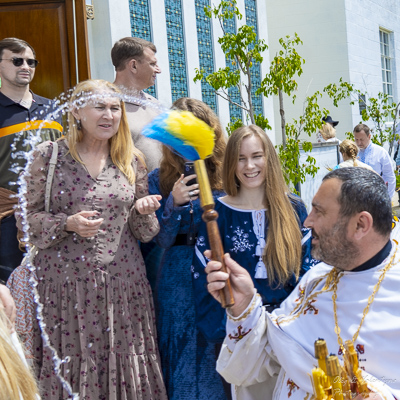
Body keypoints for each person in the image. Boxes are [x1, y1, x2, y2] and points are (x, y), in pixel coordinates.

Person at [15, 79, 167, 399]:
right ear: (77, 111)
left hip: (124, 290)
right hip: (65, 291)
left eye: (115, 108)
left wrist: (143, 210)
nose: (109, 115)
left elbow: (145, 232)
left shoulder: (132, 160)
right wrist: (66, 224)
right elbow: (25, 219)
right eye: (100, 107)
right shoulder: (48, 156)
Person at [205, 167, 400, 400]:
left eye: (319, 211)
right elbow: (269, 357)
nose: (307, 221)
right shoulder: (317, 280)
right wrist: (244, 307)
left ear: (360, 225)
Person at [193, 125, 315, 371]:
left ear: (268, 158)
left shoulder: (293, 209)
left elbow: (310, 273)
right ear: (231, 164)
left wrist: (291, 324)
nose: (250, 166)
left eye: (256, 156)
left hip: (290, 334)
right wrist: (231, 330)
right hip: (238, 336)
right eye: (241, 159)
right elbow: (204, 283)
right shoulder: (215, 215)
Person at [148, 98, 227, 400]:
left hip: (215, 269)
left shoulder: (226, 172)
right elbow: (160, 238)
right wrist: (174, 203)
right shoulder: (158, 178)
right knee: (179, 347)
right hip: (176, 275)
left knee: (213, 346)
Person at [0, 37, 63, 282]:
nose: (25, 66)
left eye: (31, 61)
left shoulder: (52, 110)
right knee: (10, 293)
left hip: (51, 214)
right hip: (6, 217)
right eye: (17, 61)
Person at [112, 37, 162, 172]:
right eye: (152, 64)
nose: (158, 70)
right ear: (133, 65)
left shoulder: (154, 104)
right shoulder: (106, 107)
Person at [354, 123, 396, 198]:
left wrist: (388, 199)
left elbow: (390, 177)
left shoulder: (380, 152)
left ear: (369, 136)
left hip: (376, 197)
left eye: (361, 139)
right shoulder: (353, 152)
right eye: (356, 139)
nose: (359, 143)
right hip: (358, 199)